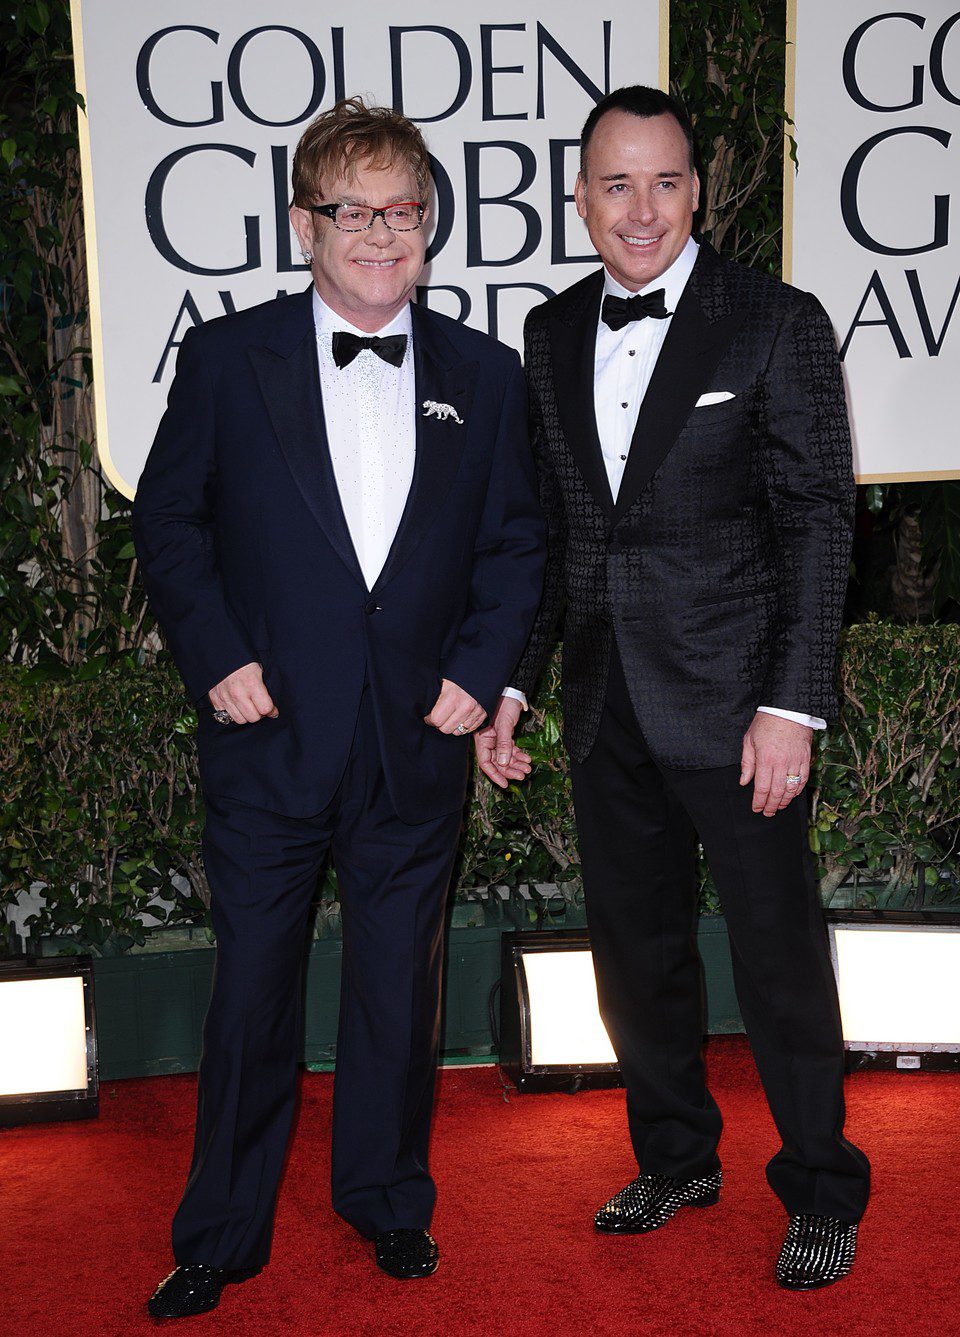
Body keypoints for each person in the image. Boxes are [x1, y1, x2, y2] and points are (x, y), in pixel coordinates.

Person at [133, 97, 545, 1319]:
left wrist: (481, 673)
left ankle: (385, 1199)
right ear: (304, 223)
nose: (380, 233)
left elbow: (517, 546)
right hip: (267, 735)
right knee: (253, 986)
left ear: (429, 224)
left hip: (413, 739)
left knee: (394, 996)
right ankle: (219, 1229)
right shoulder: (227, 356)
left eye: (402, 209)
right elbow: (169, 521)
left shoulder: (486, 371)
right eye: (353, 211)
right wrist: (213, 654)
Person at [477, 85, 870, 1290]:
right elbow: (554, 536)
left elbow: (817, 520)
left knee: (777, 957)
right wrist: (516, 686)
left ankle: (819, 1185)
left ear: (697, 189)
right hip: (606, 703)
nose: (639, 209)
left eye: (663, 182)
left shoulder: (774, 321)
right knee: (633, 955)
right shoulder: (547, 336)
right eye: (615, 183)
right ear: (581, 197)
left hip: (739, 703)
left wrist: (793, 703)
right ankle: (676, 1155)